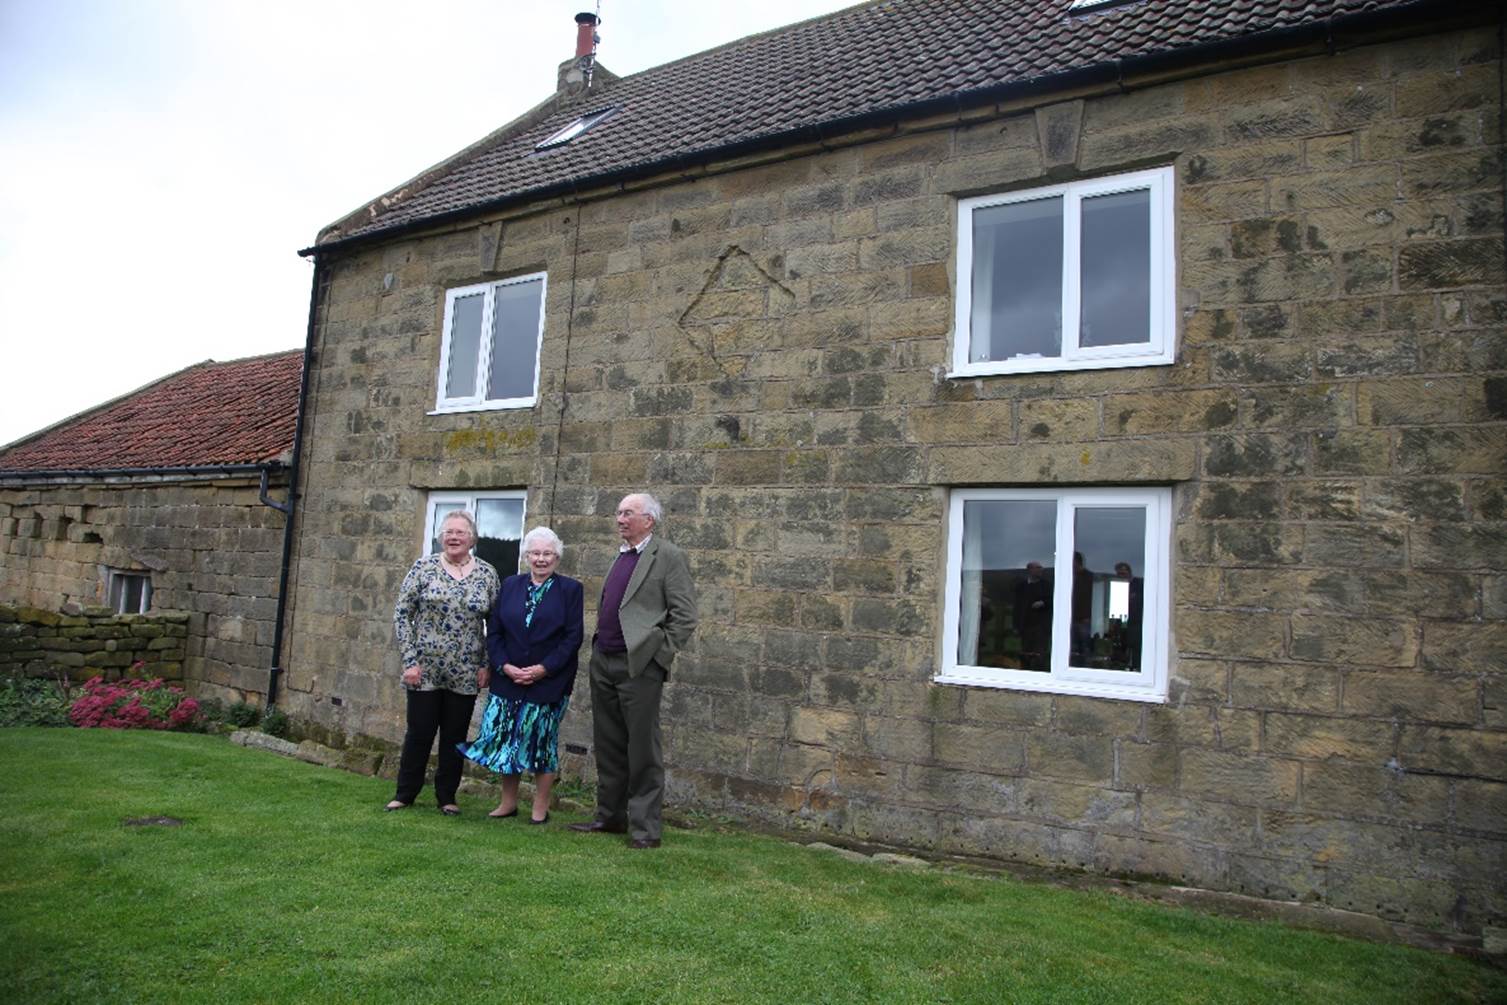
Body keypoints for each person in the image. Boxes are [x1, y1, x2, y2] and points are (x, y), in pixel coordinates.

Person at [569, 492, 697, 849]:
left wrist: (658, 656)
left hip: (639, 665)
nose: (620, 519)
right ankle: (609, 817)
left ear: (649, 520)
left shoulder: (668, 556)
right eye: (619, 513)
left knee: (642, 748)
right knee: (609, 744)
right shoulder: (621, 555)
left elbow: (685, 617)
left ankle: (645, 830)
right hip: (604, 660)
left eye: (628, 513)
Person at [458, 526, 584, 825]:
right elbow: (496, 631)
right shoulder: (510, 585)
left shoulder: (570, 590)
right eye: (535, 553)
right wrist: (504, 666)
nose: (541, 559)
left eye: (548, 554)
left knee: (542, 743)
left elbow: (572, 637)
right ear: (527, 555)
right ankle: (508, 803)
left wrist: (543, 669)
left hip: (549, 682)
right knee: (506, 743)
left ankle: (540, 808)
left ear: (557, 557)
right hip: (508, 680)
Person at [386, 510, 500, 815]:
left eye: (460, 532)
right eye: (448, 532)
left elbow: (495, 624)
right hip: (424, 670)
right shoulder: (423, 567)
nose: (453, 537)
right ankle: (405, 793)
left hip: (465, 672)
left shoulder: (488, 574)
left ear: (472, 538)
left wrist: (486, 664)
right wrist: (409, 660)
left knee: (455, 736)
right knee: (419, 733)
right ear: (440, 538)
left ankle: (447, 797)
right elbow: (401, 615)